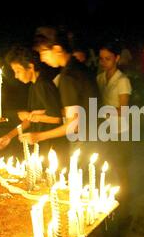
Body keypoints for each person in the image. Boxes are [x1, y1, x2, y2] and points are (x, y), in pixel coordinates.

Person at [20, 26, 99, 160]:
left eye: (44, 53)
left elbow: (73, 125)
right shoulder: (78, 67)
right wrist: (43, 114)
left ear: (57, 49)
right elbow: (80, 109)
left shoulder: (68, 77)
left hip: (85, 141)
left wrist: (38, 136)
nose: (42, 59)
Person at [0, 45, 65, 157]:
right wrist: (9, 136)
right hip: (42, 145)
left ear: (30, 67)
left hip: (52, 146)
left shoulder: (43, 85)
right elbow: (30, 120)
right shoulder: (34, 86)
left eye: (18, 71)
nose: (16, 76)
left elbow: (57, 118)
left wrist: (34, 116)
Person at [97, 41, 133, 223]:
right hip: (105, 130)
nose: (104, 62)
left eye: (108, 58)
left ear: (117, 58)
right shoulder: (100, 77)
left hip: (119, 131)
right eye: (101, 58)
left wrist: (101, 111)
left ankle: (124, 207)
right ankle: (113, 202)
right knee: (108, 168)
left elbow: (124, 109)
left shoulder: (122, 80)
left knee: (121, 170)